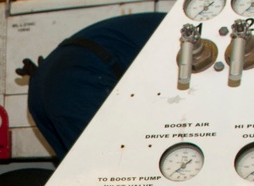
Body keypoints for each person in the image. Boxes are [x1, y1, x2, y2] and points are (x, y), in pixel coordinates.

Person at [19, 12, 166, 162]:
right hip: (82, 79)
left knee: (82, 175)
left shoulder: (171, 22)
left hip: (44, 81)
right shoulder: (181, 30)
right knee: (117, 169)